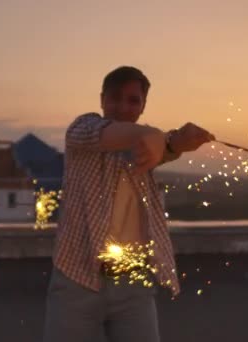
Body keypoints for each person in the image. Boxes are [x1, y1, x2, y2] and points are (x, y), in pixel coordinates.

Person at [42, 66, 215, 342]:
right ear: (102, 100)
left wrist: (179, 141)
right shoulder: (81, 130)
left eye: (133, 100)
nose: (123, 106)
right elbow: (127, 137)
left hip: (134, 283)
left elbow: (164, 146)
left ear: (143, 105)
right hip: (76, 279)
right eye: (115, 98)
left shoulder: (145, 147)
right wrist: (157, 138)